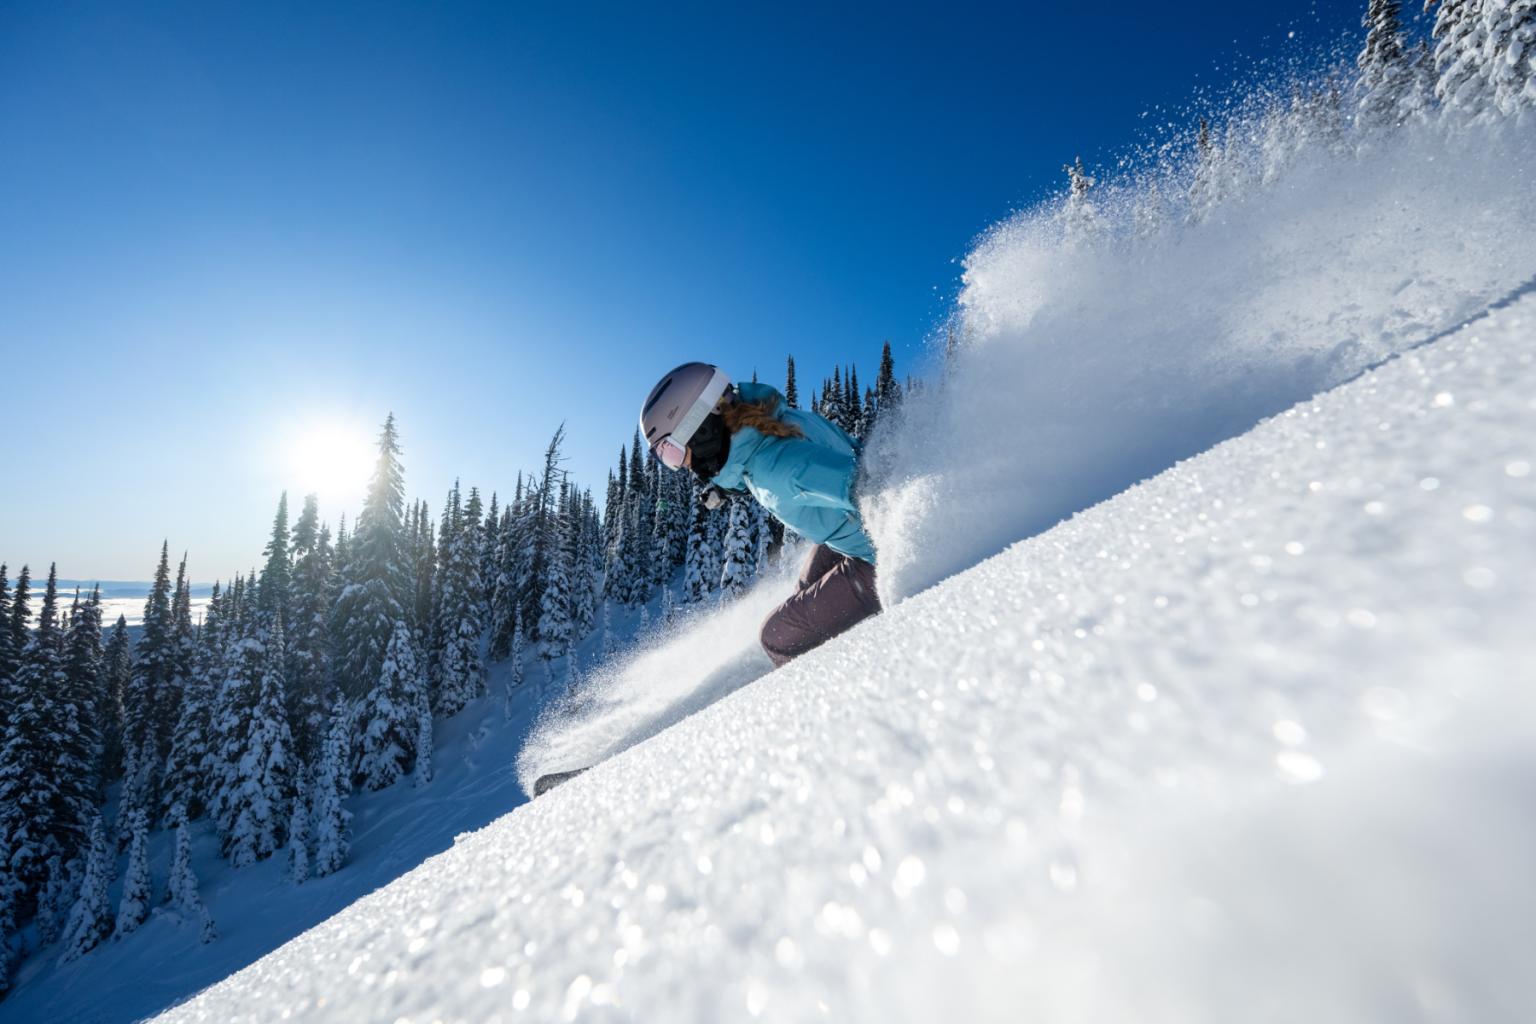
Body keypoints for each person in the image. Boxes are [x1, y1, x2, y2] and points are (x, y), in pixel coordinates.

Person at [640, 362, 881, 667]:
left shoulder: (777, 470)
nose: (681, 466)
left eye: (672, 453)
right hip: (850, 534)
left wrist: (900, 537)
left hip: (877, 555)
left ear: (698, 428)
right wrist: (727, 488)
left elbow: (867, 484)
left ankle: (850, 686)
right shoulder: (768, 422)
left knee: (778, 637)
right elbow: (763, 456)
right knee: (805, 590)